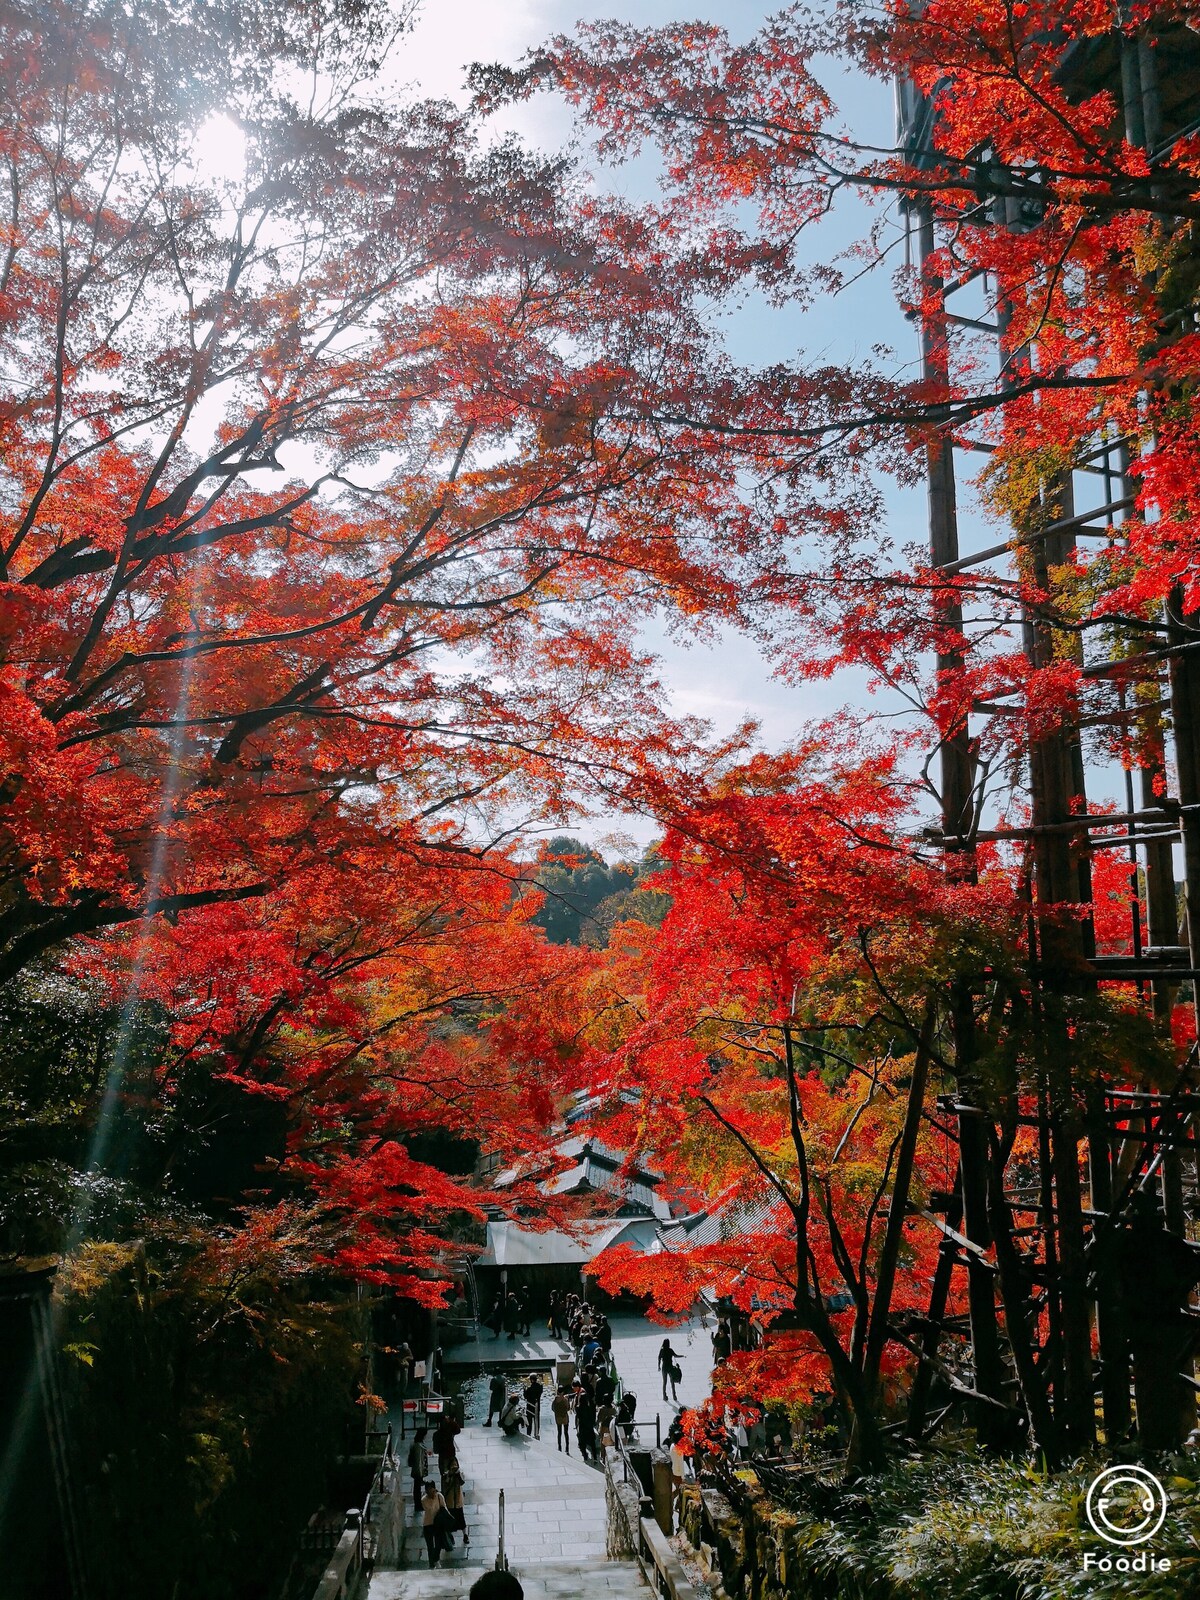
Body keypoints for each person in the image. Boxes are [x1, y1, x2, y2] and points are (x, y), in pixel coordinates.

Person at [421, 1479, 451, 1568]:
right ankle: (431, 1564)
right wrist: (433, 1497)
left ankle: (436, 1560)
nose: (429, 1491)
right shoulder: (424, 1499)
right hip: (428, 1524)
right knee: (430, 1546)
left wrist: (448, 1519)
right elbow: (430, 1509)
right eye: (427, 1490)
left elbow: (444, 1507)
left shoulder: (439, 1496)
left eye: (431, 1489)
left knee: (438, 1544)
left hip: (438, 1524)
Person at [441, 1455, 468, 1547]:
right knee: (450, 1521)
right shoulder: (446, 1475)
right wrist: (450, 1475)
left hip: (458, 1502)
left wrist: (457, 1474)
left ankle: (465, 1535)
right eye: (452, 1465)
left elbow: (462, 1482)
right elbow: (446, 1483)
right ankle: (450, 1536)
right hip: (450, 1502)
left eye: (455, 1465)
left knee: (461, 1519)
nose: (454, 1466)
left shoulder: (460, 1474)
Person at [407, 1427, 429, 1514]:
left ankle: (418, 1504)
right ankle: (418, 1505)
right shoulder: (418, 1446)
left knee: (417, 1487)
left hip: (417, 1470)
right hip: (418, 1470)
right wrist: (420, 1473)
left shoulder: (416, 1444)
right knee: (417, 1488)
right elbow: (419, 1461)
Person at [575, 1386, 597, 1462]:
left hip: (582, 1427)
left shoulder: (578, 1408)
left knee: (582, 1443)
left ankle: (585, 1456)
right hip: (589, 1427)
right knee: (592, 1443)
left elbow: (578, 1416)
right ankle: (595, 1458)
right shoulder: (590, 1408)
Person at [658, 1337, 682, 1402]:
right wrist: (682, 1356)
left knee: (664, 1382)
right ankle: (674, 1396)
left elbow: (659, 1358)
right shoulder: (670, 1350)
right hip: (670, 1367)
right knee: (672, 1382)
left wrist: (659, 1366)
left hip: (664, 1367)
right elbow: (675, 1355)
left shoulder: (662, 1350)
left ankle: (664, 1396)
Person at [552, 1385, 573, 1453]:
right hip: (565, 1417)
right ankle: (567, 1447)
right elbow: (568, 1408)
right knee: (566, 1433)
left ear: (557, 1391)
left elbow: (552, 1408)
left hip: (558, 1418)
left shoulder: (555, 1400)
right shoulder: (565, 1400)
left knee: (559, 1432)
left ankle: (559, 1446)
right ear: (563, 1392)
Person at [524, 1373, 543, 1439]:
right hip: (537, 1406)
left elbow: (525, 1396)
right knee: (537, 1420)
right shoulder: (540, 1387)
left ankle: (529, 1433)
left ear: (531, 1380)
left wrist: (524, 1389)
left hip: (529, 1406)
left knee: (529, 1422)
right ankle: (536, 1432)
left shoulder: (529, 1388)